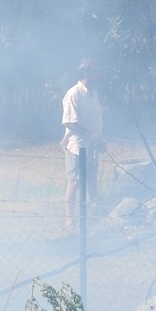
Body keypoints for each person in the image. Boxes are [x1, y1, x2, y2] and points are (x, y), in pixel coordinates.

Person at [60, 59, 103, 228]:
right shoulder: (74, 94)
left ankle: (96, 216)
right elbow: (69, 122)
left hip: (92, 145)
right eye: (95, 73)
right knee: (75, 181)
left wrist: (100, 137)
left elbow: (96, 118)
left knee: (92, 180)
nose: (98, 76)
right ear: (86, 74)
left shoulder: (93, 93)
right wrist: (87, 133)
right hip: (77, 146)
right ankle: (69, 218)